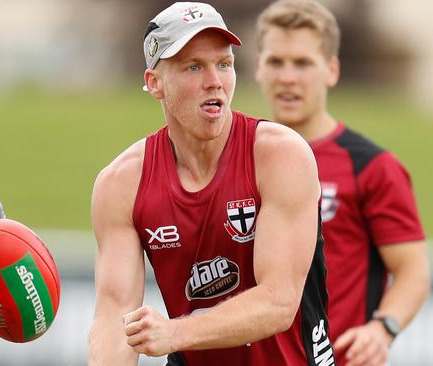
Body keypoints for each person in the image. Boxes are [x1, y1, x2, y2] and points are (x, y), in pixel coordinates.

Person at [88, 2, 335, 365]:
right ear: (154, 83)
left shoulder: (280, 156)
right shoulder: (121, 183)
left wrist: (174, 332)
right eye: (193, 67)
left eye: (224, 64)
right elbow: (114, 316)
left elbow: (278, 301)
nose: (214, 81)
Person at [254, 1, 431, 365]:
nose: (287, 77)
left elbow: (413, 271)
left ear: (331, 70)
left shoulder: (371, 166)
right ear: (258, 68)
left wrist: (382, 329)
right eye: (276, 61)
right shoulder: (238, 157)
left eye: (303, 63)